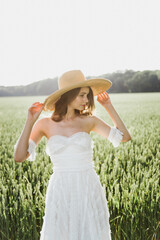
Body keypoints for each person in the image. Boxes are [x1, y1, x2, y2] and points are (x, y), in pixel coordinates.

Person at [14, 70, 131, 240]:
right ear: (69, 95)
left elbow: (125, 137)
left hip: (87, 186)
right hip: (60, 188)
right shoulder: (44, 124)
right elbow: (19, 156)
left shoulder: (89, 120)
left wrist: (109, 107)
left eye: (87, 96)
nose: (86, 100)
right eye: (82, 95)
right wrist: (30, 121)